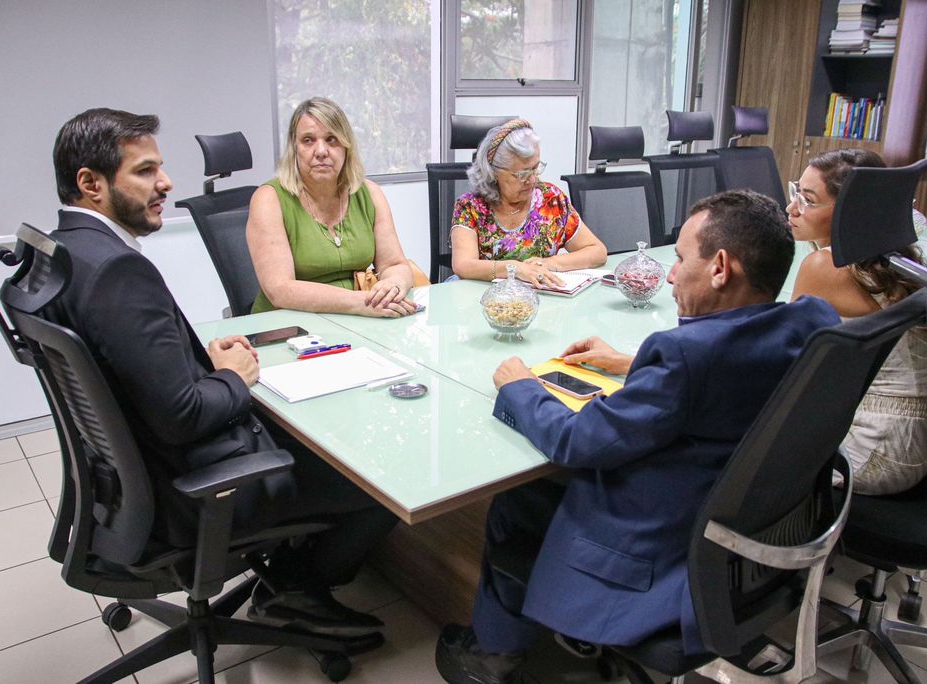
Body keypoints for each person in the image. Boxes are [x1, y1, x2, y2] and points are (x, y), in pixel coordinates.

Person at [435, 190, 840, 684]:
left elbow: (577, 441)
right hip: (755, 540)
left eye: (681, 259)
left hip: (668, 551)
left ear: (720, 269)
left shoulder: (684, 356)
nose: (670, 275)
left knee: (519, 495)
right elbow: (727, 368)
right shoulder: (813, 322)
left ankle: (492, 654)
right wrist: (635, 364)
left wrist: (520, 387)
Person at [47, 108, 397, 636]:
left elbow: (126, 369)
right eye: (145, 171)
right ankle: (295, 589)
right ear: (90, 184)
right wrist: (233, 376)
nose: (166, 182)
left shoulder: (69, 251)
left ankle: (289, 562)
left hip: (123, 485)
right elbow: (182, 418)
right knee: (374, 474)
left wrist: (194, 362)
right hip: (188, 490)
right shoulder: (119, 271)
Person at [788, 148, 927, 495]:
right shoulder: (889, 256)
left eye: (808, 200)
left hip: (874, 452)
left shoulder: (824, 267)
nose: (791, 208)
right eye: (796, 191)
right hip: (915, 439)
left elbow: (783, 356)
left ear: (849, 212)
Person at [247, 96, 417, 316]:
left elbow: (395, 264)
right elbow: (280, 290)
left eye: (332, 139)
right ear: (294, 149)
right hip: (289, 324)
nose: (321, 151)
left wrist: (393, 285)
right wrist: (361, 303)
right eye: (308, 140)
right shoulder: (269, 199)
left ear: (346, 147)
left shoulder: (369, 193)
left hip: (357, 318)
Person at [450, 118, 607, 288]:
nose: (532, 180)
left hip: (540, 298)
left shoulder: (551, 200)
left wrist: (550, 263)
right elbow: (463, 265)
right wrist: (514, 269)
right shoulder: (470, 206)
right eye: (522, 174)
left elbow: (597, 251)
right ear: (494, 172)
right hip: (485, 298)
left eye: (535, 168)